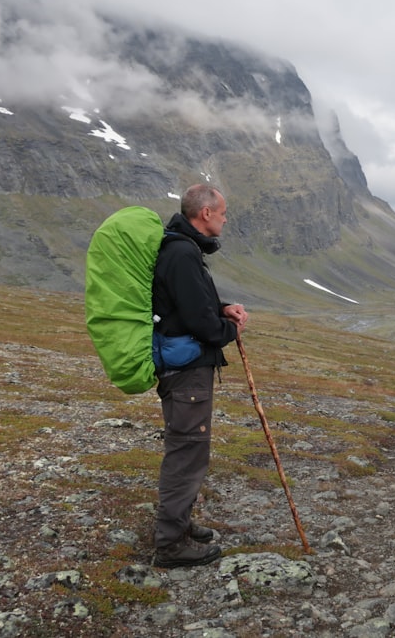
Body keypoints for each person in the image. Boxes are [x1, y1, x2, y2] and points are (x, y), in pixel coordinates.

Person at [150, 183, 248, 568]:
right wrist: (230, 331)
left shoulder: (181, 249)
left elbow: (190, 305)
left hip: (184, 368)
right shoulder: (182, 253)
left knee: (189, 448)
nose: (225, 218)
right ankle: (170, 545)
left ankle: (180, 524)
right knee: (187, 452)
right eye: (222, 212)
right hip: (187, 372)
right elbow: (198, 322)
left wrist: (222, 309)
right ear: (205, 214)